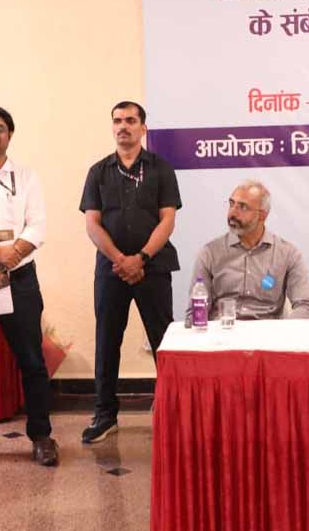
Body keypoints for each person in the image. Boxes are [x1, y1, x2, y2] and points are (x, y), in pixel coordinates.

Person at [79, 101, 181, 443]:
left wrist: (141, 258)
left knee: (163, 341)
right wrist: (121, 260)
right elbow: (92, 224)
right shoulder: (98, 172)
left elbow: (167, 220)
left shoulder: (161, 169)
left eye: (131, 120)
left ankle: (171, 411)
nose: (123, 126)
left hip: (154, 267)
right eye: (118, 121)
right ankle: (105, 415)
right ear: (112, 127)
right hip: (111, 270)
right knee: (107, 341)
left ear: (143, 128)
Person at [0, 105, 58, 466]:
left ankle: (42, 436)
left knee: (32, 361)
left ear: (10, 135)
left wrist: (9, 257)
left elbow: (37, 225)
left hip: (19, 278)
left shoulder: (27, 177)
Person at [188, 180, 309, 320]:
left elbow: (307, 307)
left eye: (242, 207)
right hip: (223, 329)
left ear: (262, 215)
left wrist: (284, 330)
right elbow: (194, 314)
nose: (233, 213)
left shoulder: (287, 254)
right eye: (231, 204)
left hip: (267, 331)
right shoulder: (210, 253)